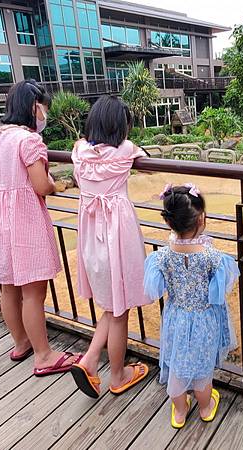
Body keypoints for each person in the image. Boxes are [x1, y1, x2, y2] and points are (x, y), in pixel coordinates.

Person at [0, 79, 82, 376]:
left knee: (8, 288)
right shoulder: (29, 140)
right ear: (35, 107)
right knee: (33, 292)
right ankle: (44, 355)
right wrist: (54, 184)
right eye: (44, 109)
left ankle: (22, 343)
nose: (43, 116)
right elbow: (40, 186)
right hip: (24, 221)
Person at [70, 96, 151, 398]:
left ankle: (89, 361)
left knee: (112, 305)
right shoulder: (126, 151)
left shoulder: (79, 152)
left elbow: (81, 144)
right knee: (119, 311)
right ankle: (118, 375)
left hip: (92, 240)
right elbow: (142, 158)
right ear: (121, 127)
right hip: (118, 239)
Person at [143, 184, 238, 429]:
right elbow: (220, 289)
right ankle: (205, 408)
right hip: (204, 319)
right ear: (202, 219)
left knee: (177, 364)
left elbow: (156, 287)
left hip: (177, 318)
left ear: (169, 223)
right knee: (202, 368)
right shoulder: (211, 256)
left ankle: (179, 412)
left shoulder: (162, 256)